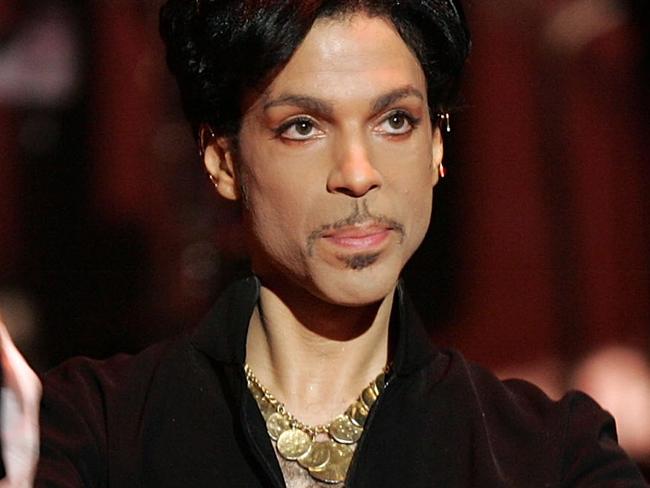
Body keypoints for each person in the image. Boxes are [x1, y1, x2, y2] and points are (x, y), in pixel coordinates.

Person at [1, 0, 646, 486]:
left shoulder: (551, 456)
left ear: (438, 148)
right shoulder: (94, 431)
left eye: (397, 121)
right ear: (222, 159)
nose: (359, 173)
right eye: (303, 127)